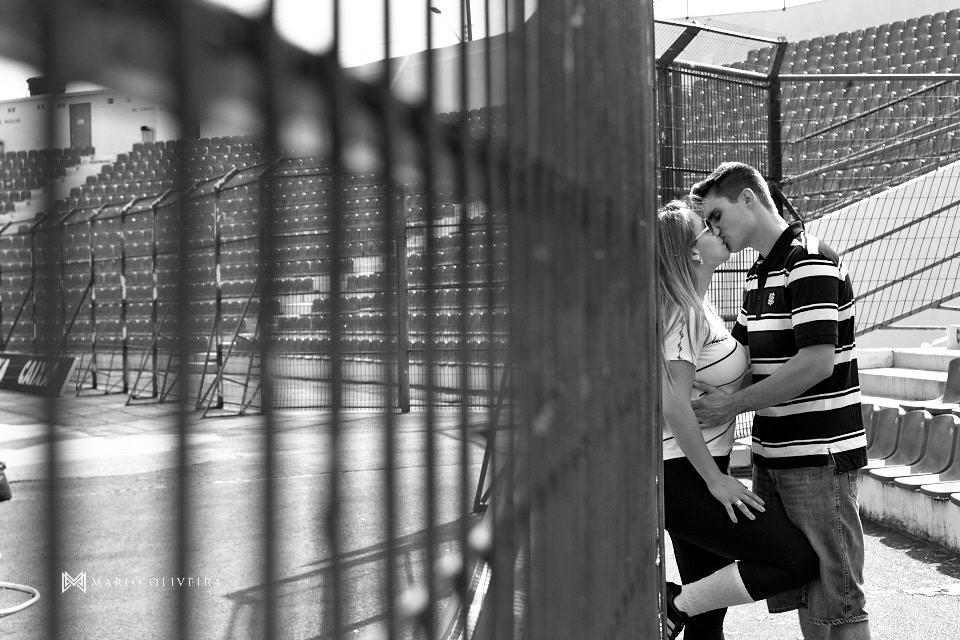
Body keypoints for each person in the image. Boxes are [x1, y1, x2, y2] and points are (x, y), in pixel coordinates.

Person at [689, 162, 870, 640]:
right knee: (807, 589)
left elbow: (816, 363)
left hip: (819, 456)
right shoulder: (757, 275)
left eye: (716, 216)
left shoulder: (809, 260)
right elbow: (744, 358)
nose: (714, 229)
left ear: (749, 198)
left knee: (842, 600)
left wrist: (732, 405)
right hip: (774, 454)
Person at [657, 200, 819, 640]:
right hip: (687, 475)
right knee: (796, 561)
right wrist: (714, 481)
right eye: (706, 229)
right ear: (691, 252)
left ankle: (678, 607)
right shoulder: (683, 310)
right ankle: (671, 603)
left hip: (691, 471)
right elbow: (673, 404)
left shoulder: (697, 307)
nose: (717, 231)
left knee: (708, 619)